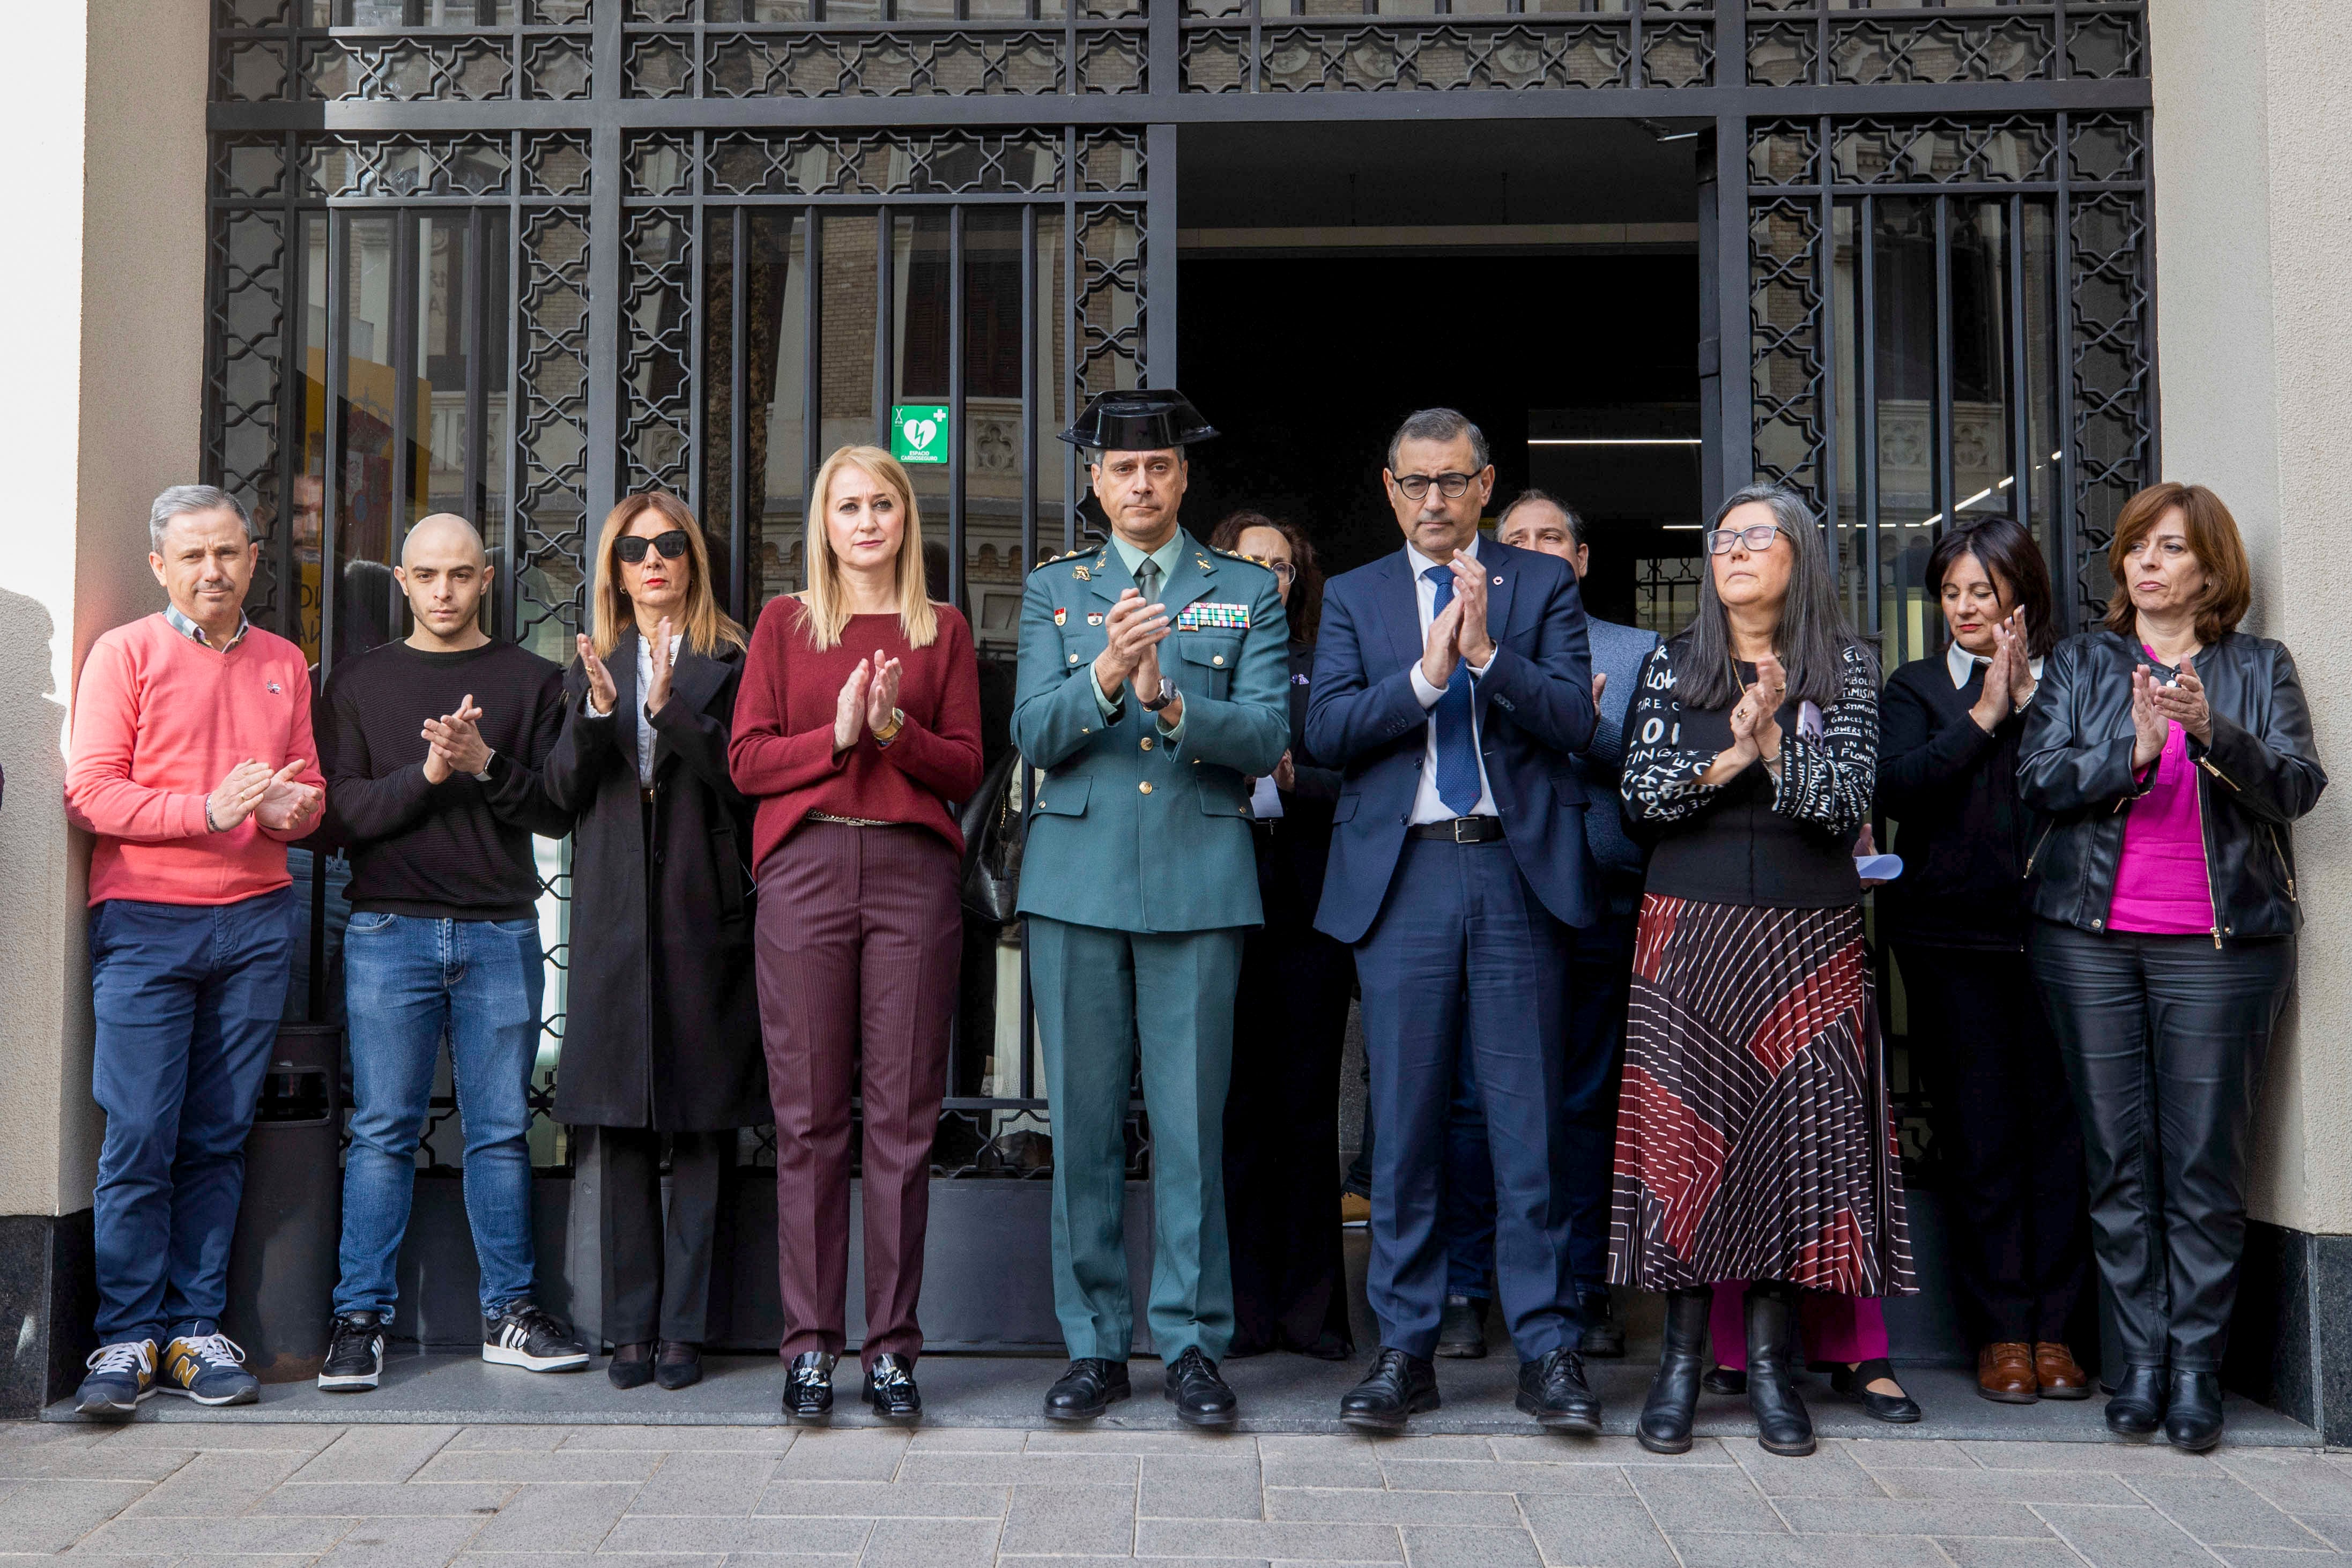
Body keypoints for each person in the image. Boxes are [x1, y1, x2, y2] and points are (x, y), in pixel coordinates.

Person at [1306, 409, 1600, 1434]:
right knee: (1407, 1132)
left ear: (1486, 487)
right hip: (1408, 881)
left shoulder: (1543, 586)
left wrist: (1485, 657)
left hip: (1518, 876)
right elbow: (1328, 731)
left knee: (1529, 1131)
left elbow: (1574, 720)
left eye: (1454, 481)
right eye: (1416, 481)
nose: (1434, 500)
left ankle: (1549, 1348)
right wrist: (1429, 676)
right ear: (1390, 488)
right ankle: (1406, 1350)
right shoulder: (1356, 595)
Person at [2020, 481, 2323, 1452]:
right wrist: (2135, 748)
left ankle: (2196, 1372)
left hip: (2220, 949)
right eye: (2139, 546)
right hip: (2089, 940)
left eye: (2172, 548)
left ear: (2210, 571)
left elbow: (2298, 787)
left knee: (2203, 1166)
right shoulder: (2080, 662)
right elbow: (2039, 778)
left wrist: (2208, 732)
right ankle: (2137, 1366)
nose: (2149, 562)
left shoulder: (2258, 667)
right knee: (2118, 1161)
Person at [1614, 482, 1914, 1459]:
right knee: (1681, 1154)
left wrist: (1779, 734)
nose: (1736, 550)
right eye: (1724, 537)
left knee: (1794, 1151)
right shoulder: (1671, 665)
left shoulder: (1851, 670)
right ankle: (1681, 1367)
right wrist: (1734, 756)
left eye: (1758, 536)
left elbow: (1845, 804)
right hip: (1688, 933)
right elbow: (1642, 799)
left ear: (1800, 556)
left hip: (1806, 936)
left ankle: (1779, 1371)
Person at [1012, 389, 1289, 1428]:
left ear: (1182, 478)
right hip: (1077, 884)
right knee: (1081, 1125)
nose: (1140, 483)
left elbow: (1264, 736)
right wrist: (1105, 673)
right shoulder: (1054, 590)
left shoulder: (1241, 590)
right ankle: (1091, 1343)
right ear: (1094, 482)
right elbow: (1033, 732)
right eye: (1121, 469)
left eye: (1158, 467)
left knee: (1189, 1129)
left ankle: (1189, 1341)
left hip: (1197, 881)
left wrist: (1172, 699)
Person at [730, 447, 984, 1423]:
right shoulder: (785, 625)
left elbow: (963, 767)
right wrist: (836, 736)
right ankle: (808, 1349)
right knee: (806, 1122)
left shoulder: (944, 629)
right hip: (806, 871)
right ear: (824, 523)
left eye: (883, 503)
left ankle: (891, 1349)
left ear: (905, 518)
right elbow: (748, 760)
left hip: (913, 876)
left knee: (903, 1123)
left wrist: (889, 734)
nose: (867, 519)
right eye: (848, 505)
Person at [66, 485, 327, 1417]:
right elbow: (91, 792)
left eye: (229, 553)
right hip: (144, 921)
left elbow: (308, 790)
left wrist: (295, 809)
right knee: (139, 1129)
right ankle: (124, 1335)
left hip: (257, 920)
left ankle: (192, 1327)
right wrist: (206, 811)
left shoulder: (284, 662)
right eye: (194, 557)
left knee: (218, 1132)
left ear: (255, 558)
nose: (213, 571)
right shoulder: (125, 653)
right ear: (160, 566)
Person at [314, 514, 588, 1393]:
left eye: (461, 575)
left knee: (502, 1132)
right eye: (427, 576)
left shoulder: (533, 680)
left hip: (501, 929)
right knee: (384, 1132)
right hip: (388, 930)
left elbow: (554, 809)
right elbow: (338, 817)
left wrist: (483, 763)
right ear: (400, 580)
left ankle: (511, 1311)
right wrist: (430, 775)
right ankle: (359, 1321)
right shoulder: (358, 682)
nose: (444, 592)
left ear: (488, 578)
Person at [544, 492, 763, 1394]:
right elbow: (558, 794)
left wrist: (672, 710)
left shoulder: (736, 658)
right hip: (612, 925)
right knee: (621, 1134)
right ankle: (628, 1330)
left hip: (699, 914)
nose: (654, 560)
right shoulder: (591, 664)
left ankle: (685, 1331)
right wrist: (602, 715)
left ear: (693, 558)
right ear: (615, 569)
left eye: (670, 544)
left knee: (704, 1129)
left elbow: (748, 784)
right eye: (635, 549)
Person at [1434, 489, 1660, 1363]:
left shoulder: (1637, 651)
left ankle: (1584, 1286)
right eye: (1516, 538)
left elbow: (1648, 764)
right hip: (1489, 891)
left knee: (1580, 1101)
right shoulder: (1461, 630)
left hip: (1597, 895)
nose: (1533, 549)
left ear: (1583, 557)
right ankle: (1466, 1285)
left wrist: (1580, 720)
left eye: (1551, 537)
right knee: (1470, 1100)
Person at [1876, 516, 2093, 1406]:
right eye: (1952, 591)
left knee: (2059, 1136)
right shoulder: (1919, 686)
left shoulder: (2073, 682)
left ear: (2023, 595)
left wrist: (2029, 700)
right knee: (1980, 1137)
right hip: (1949, 942)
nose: (1965, 606)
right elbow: (1895, 786)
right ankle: (2002, 1332)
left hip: (2061, 937)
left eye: (1982, 590)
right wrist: (1984, 714)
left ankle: (2061, 1333)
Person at [1206, 510, 1355, 1362]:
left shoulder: (1321, 664)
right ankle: (1240, 1314)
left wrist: (1299, 780)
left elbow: (1366, 781)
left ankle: (1313, 1316)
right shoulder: (1198, 660)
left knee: (1305, 1111)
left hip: (1306, 907)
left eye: (1282, 563)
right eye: (1247, 560)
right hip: (1218, 904)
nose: (1267, 574)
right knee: (1233, 1111)